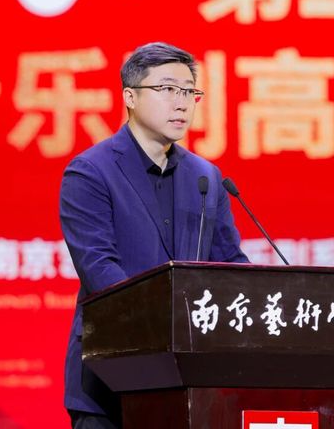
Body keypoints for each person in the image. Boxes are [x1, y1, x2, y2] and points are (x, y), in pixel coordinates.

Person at [59, 42, 249, 428]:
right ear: (130, 97)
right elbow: (100, 269)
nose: (181, 103)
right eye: (166, 89)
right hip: (111, 376)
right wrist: (170, 323)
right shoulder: (90, 172)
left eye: (189, 92)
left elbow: (230, 266)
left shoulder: (206, 177)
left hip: (190, 381)